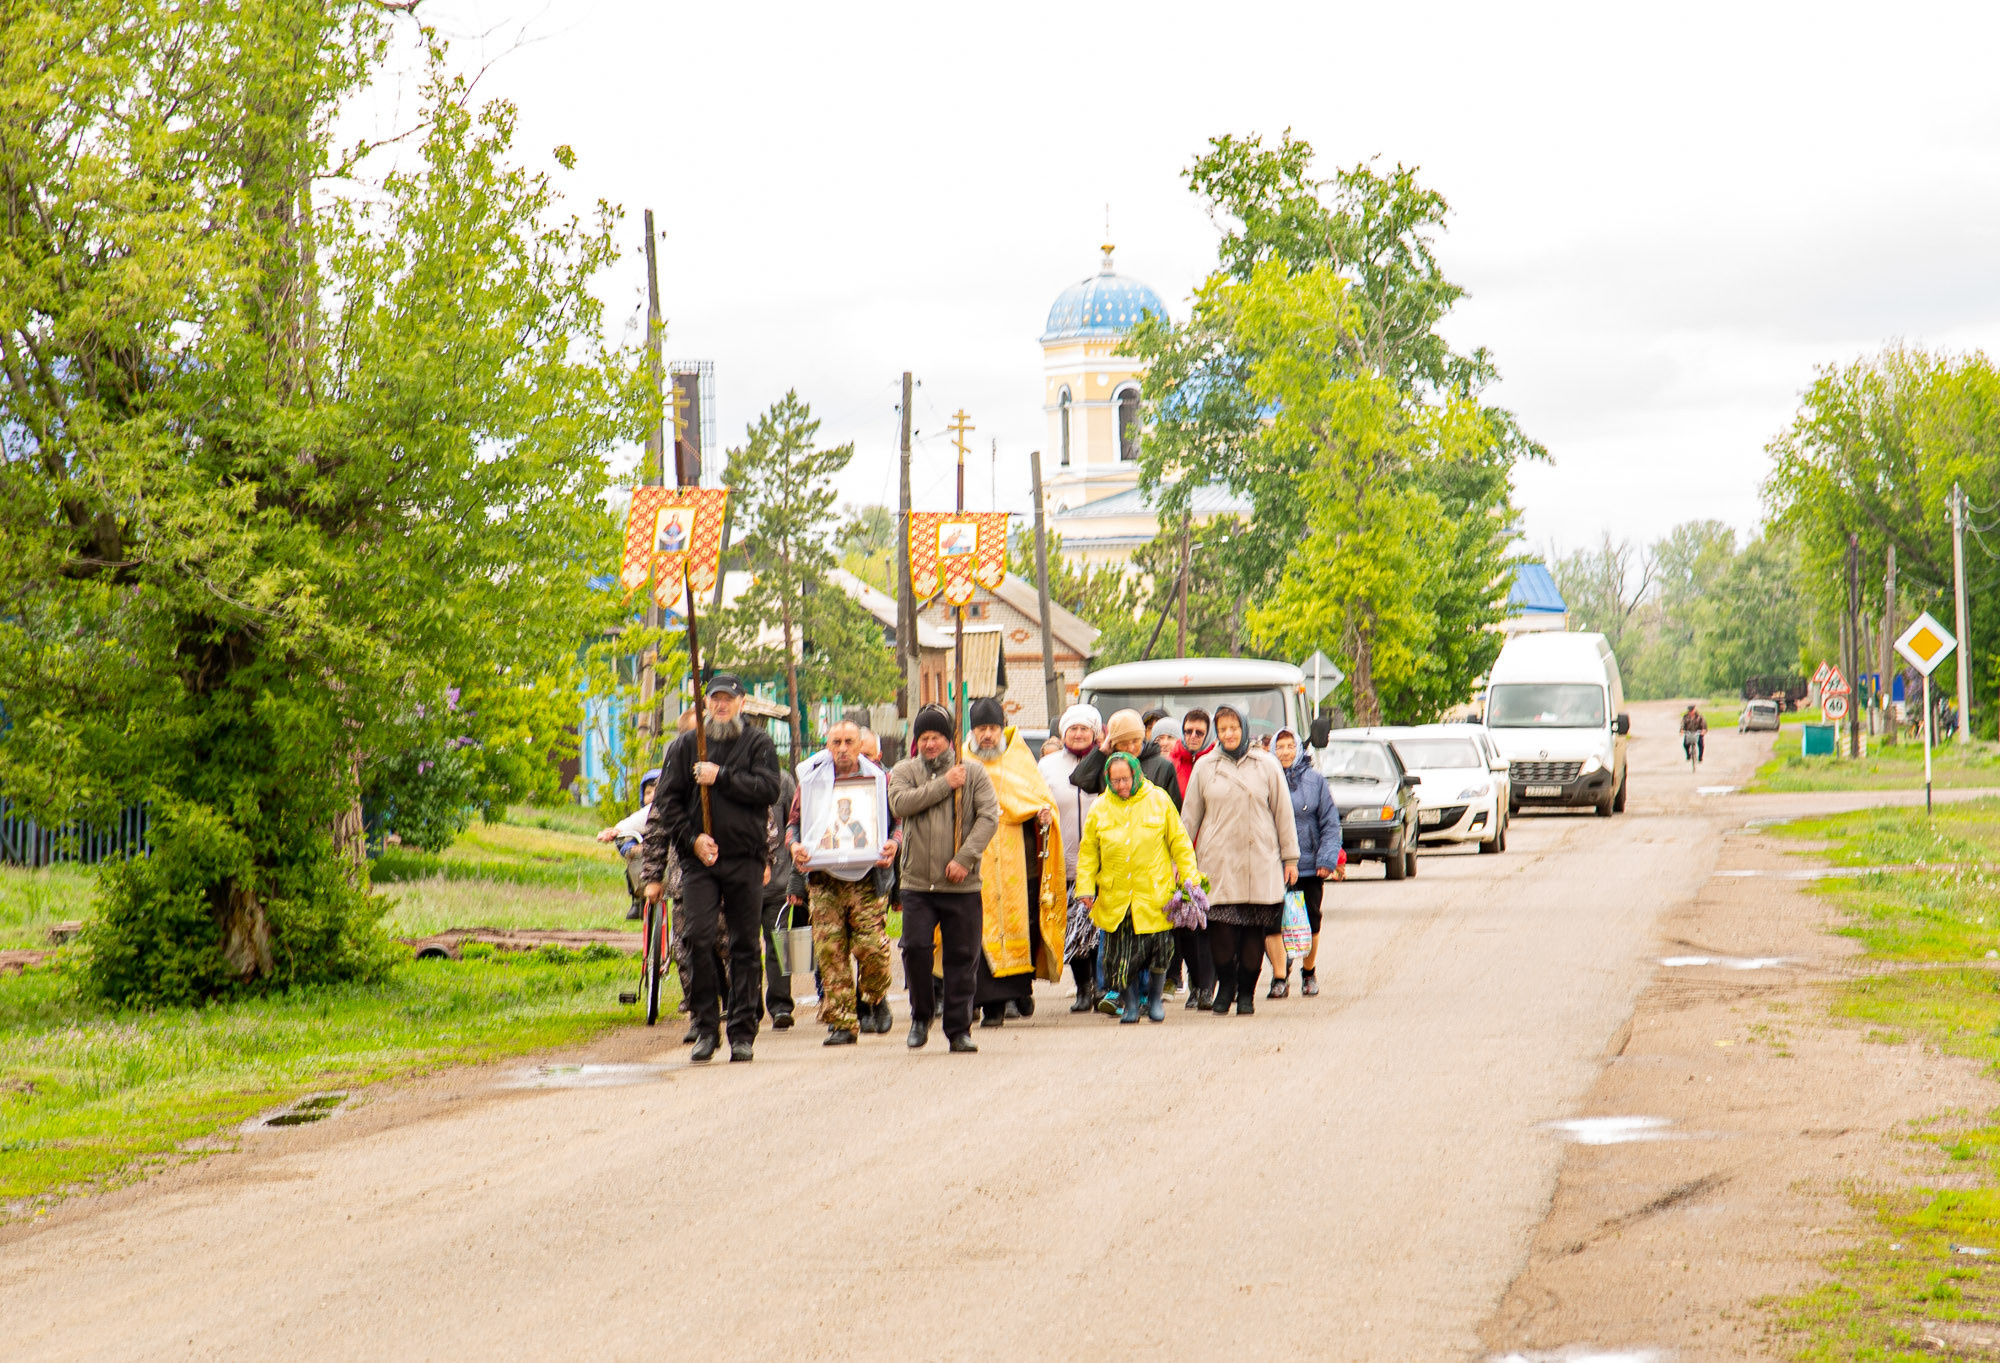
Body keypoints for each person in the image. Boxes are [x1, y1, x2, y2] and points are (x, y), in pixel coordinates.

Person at [643, 674, 782, 1065]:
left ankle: (741, 1032)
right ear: (706, 704)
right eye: (715, 700)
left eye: (728, 700)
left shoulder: (758, 743)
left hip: (745, 858)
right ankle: (706, 1027)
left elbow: (768, 789)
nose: (721, 706)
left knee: (743, 945)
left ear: (741, 703)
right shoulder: (686, 746)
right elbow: (667, 804)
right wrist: (693, 841)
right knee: (697, 938)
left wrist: (720, 776)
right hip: (701, 862)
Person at [889, 704, 997, 1052]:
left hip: (960, 883)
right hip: (918, 882)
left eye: (935, 736)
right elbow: (900, 805)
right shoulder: (905, 770)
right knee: (916, 949)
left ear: (949, 738)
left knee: (962, 957)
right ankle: (921, 1016)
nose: (930, 744)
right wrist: (943, 784)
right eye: (924, 737)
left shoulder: (975, 772)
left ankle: (958, 1028)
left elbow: (988, 818)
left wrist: (965, 858)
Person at [1180, 703, 1298, 1016]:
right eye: (1222, 730)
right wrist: (1180, 861)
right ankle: (1227, 985)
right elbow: (1189, 817)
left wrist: (1291, 858)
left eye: (1233, 728)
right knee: (1220, 931)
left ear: (1243, 728)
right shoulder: (1206, 767)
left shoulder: (1266, 764)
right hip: (1218, 862)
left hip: (1259, 859)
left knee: (1253, 933)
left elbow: (1283, 813)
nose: (1229, 734)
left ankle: (1246, 993)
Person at [788, 720, 900, 1046]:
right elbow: (794, 825)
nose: (842, 748)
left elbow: (897, 823)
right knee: (830, 951)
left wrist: (894, 843)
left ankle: (873, 997)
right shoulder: (811, 782)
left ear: (859, 744)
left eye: (849, 741)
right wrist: (794, 846)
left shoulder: (879, 779)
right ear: (827, 745)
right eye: (835, 742)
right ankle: (842, 1023)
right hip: (824, 881)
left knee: (872, 950)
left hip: (866, 880)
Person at [1075, 751, 1199, 1025]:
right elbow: (1088, 854)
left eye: (1125, 779)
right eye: (1114, 780)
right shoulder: (1100, 808)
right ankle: (1131, 1005)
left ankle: (1154, 1001)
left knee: (1158, 953)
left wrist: (1190, 880)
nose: (1120, 785)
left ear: (1136, 775)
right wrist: (1086, 888)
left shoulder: (1158, 800)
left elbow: (1180, 842)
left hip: (1154, 894)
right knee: (1121, 958)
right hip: (1116, 896)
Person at [964, 697, 1065, 1027]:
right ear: (972, 731)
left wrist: (1044, 815)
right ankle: (983, 1001)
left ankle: (1012, 995)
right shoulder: (961, 760)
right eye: (981, 729)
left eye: (993, 728)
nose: (988, 735)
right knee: (977, 930)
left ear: (1002, 728)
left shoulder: (1018, 758)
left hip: (1015, 859)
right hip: (975, 858)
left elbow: (1039, 799)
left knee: (1018, 925)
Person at [1039, 703, 1104, 1011]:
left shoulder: (1107, 762)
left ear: (1095, 732)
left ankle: (1101, 986)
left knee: (1098, 925)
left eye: (1084, 729)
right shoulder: (1049, 765)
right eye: (1072, 729)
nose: (1078, 734)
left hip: (1102, 860)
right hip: (1063, 859)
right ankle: (1082, 988)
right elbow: (1036, 799)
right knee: (1076, 927)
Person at [1268, 727, 1340, 999]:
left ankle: (1308, 972)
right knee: (1273, 922)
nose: (1285, 752)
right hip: (1273, 865)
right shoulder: (1266, 778)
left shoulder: (1315, 781)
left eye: (1289, 746)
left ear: (1298, 749)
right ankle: (1278, 977)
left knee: (1311, 920)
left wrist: (1326, 859)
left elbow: (1330, 823)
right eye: (1280, 746)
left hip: (1309, 865)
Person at [759, 758, 799, 1030]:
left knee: (780, 943)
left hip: (778, 878)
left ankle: (782, 1005)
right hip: (742, 881)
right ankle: (748, 1007)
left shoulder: (782, 780)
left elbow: (792, 825)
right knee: (744, 947)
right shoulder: (729, 779)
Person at [597, 767, 661, 920]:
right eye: (647, 793)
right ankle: (638, 900)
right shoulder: (646, 813)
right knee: (630, 853)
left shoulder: (670, 806)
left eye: (656, 791)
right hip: (645, 854)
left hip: (671, 855)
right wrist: (615, 831)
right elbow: (633, 822)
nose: (652, 796)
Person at [1172, 708, 1212, 795]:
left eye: (1199, 732)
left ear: (1208, 735)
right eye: (1189, 732)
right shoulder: (1172, 761)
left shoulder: (1217, 762)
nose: (1193, 736)